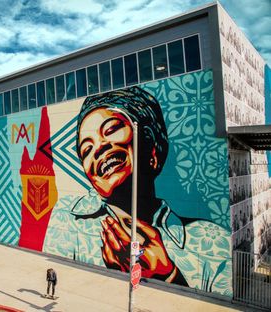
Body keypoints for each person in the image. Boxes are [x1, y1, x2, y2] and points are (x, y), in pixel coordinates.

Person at [43, 87, 232, 295]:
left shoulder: (213, 240)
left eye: (112, 129)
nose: (98, 148)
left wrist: (168, 275)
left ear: (150, 146)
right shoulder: (68, 217)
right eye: (86, 150)